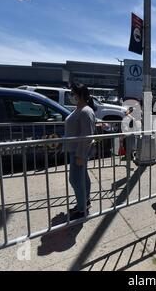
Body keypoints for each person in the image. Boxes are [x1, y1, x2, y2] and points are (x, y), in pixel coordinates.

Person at [64, 84, 97, 220]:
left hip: (78, 151)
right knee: (82, 177)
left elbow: (87, 135)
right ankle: (84, 202)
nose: (72, 96)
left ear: (81, 95)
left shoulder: (85, 111)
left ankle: (82, 208)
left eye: (73, 94)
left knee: (75, 179)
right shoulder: (80, 109)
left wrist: (80, 155)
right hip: (74, 150)